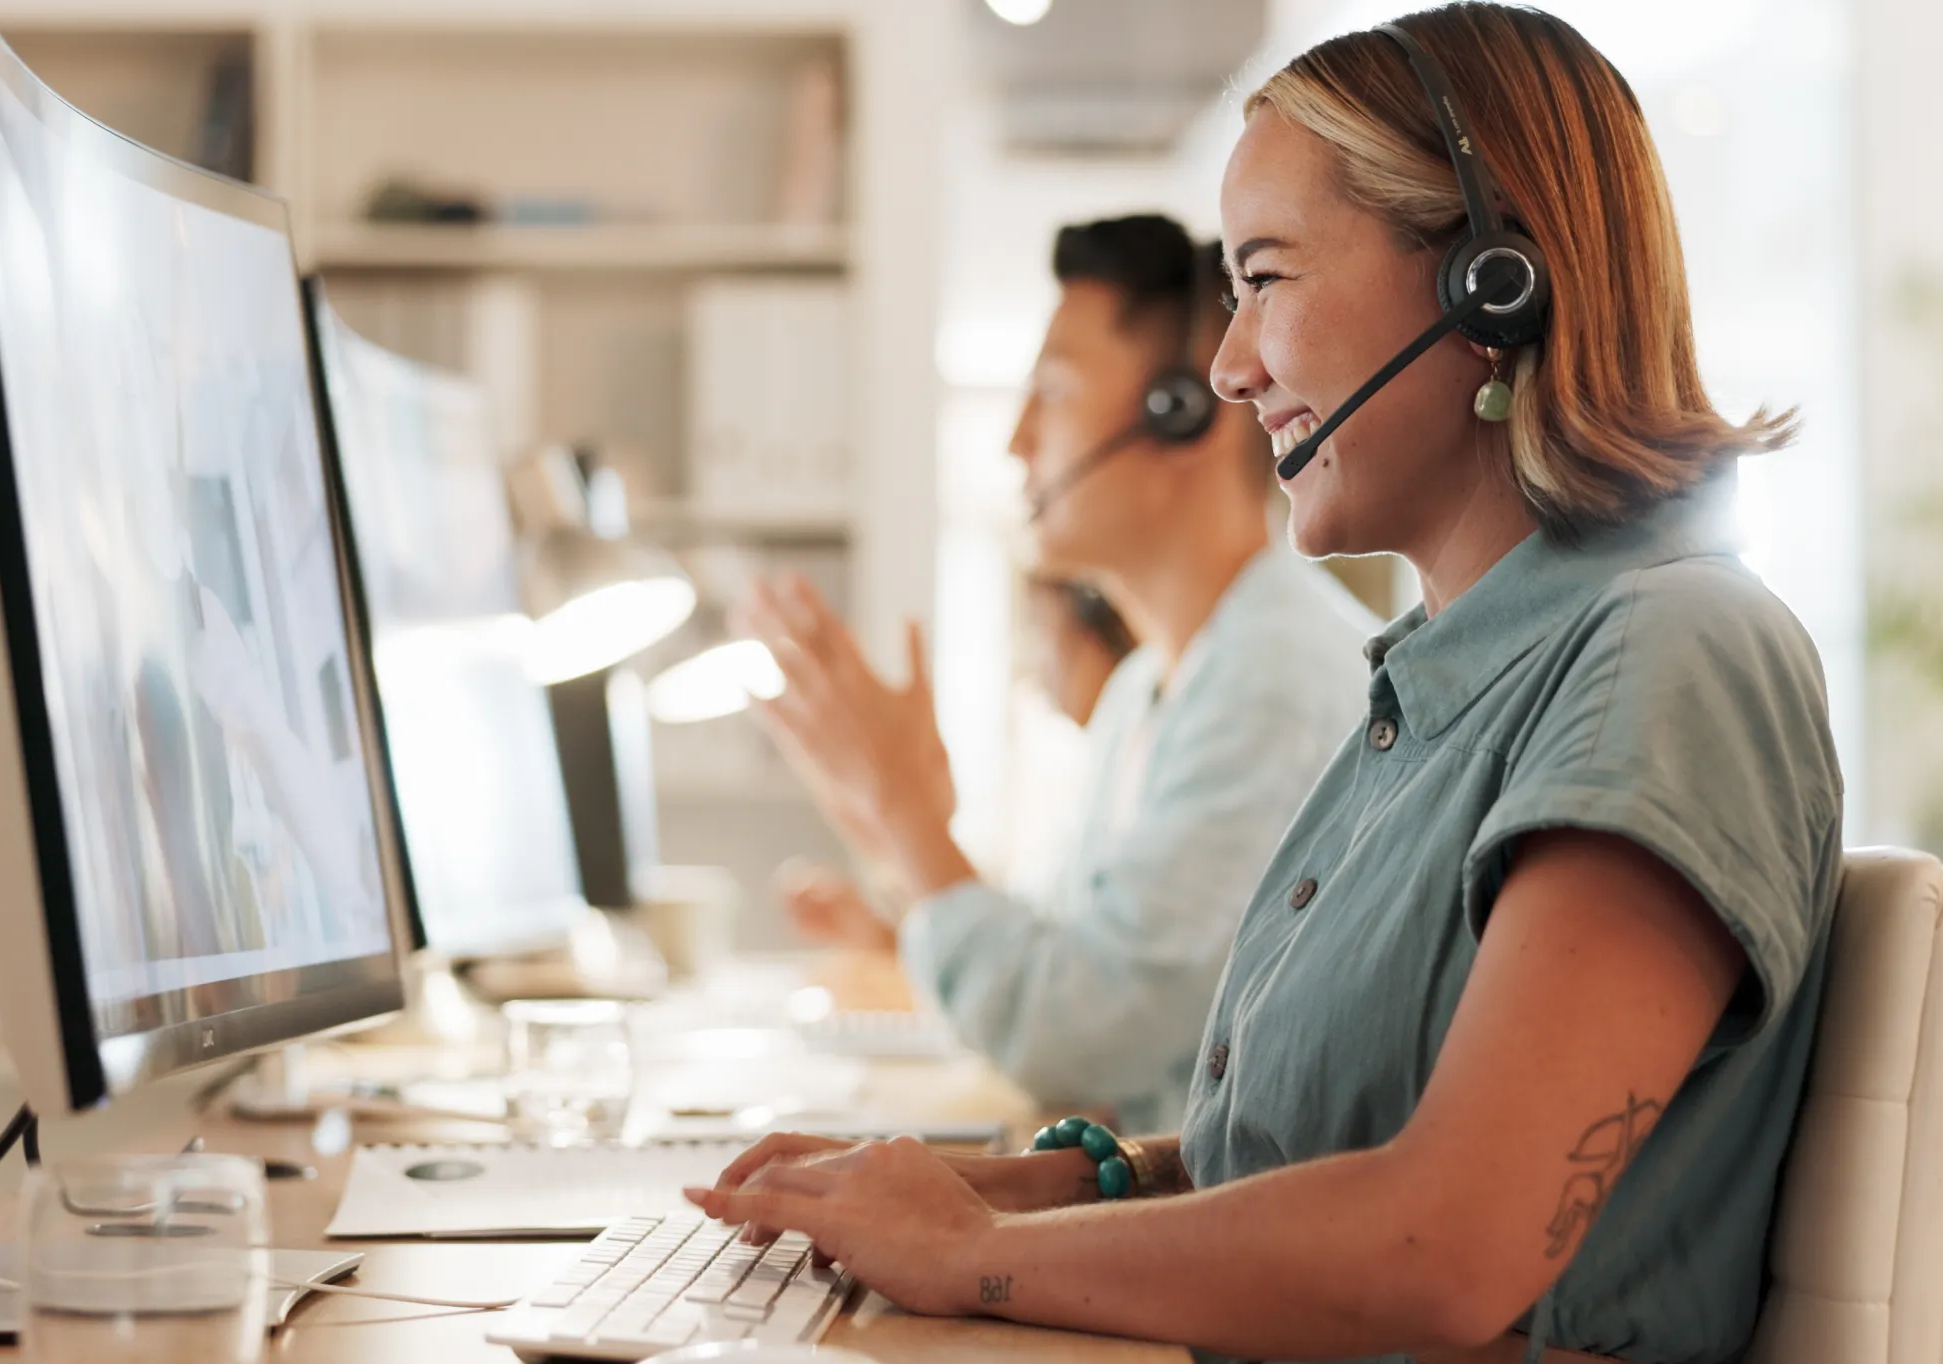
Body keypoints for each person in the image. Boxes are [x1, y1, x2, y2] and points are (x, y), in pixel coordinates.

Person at [690, 7, 1842, 1363]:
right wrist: (1031, 1186)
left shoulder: (1673, 656)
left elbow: (1446, 1247)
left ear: (1492, 286)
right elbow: (1315, 1150)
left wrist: (976, 1257)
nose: (1231, 368)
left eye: (1267, 280)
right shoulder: (1443, 685)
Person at [735, 214, 1377, 1134]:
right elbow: (1068, 958)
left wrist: (909, 821)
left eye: (1054, 394)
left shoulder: (1268, 684)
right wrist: (894, 839)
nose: (1016, 441)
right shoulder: (1151, 686)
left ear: (1181, 412)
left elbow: (1073, 1032)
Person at [778, 575, 1135, 951]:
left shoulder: (1136, 777)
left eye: (1039, 631)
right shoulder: (1103, 777)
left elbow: (1041, 983)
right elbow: (1022, 957)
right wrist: (885, 932)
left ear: (1095, 636)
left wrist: (902, 806)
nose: (1031, 665)